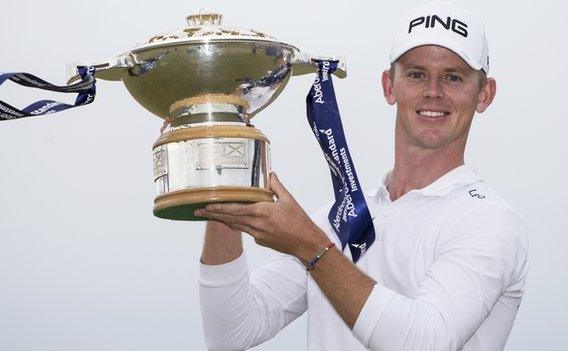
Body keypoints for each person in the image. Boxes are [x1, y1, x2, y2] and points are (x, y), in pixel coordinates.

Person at [194, 1, 529, 350]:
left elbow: (425, 341)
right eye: (416, 74)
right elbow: (230, 333)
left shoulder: (489, 221)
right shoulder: (342, 217)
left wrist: (309, 245)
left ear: (484, 93)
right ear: (389, 86)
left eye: (453, 77)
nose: (433, 91)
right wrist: (226, 187)